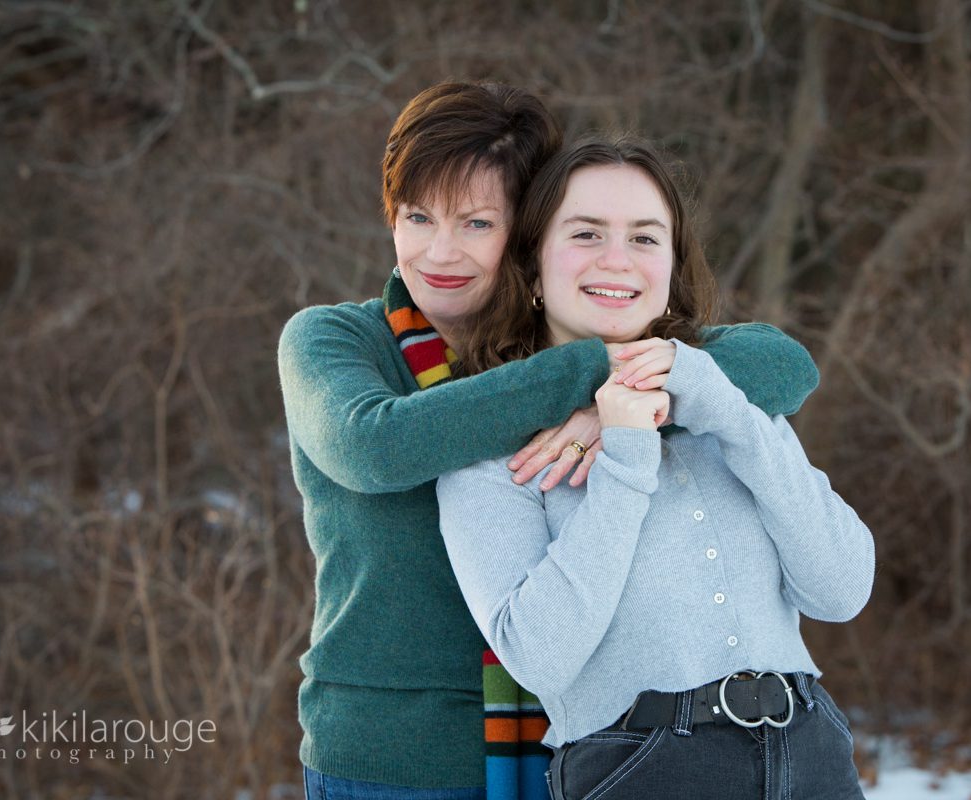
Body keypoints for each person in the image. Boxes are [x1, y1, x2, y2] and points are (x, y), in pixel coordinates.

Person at [278, 82, 821, 800]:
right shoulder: (338, 339)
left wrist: (630, 401)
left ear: (530, 233)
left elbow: (783, 364)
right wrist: (609, 377)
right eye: (417, 217)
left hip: (585, 747)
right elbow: (375, 448)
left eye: (477, 223)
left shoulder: (574, 337)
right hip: (390, 761)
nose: (440, 252)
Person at [437, 136, 874, 800]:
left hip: (810, 752)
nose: (618, 260)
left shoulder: (729, 411)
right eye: (586, 234)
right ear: (530, 268)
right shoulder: (494, 453)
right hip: (645, 768)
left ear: (671, 265)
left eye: (645, 238)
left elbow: (841, 591)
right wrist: (626, 455)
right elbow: (541, 658)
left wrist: (726, 411)